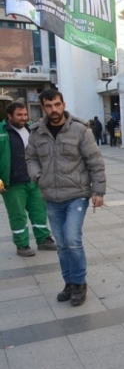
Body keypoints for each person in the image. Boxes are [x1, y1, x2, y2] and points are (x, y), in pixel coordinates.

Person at [26, 90, 106, 306]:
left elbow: (95, 162)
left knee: (72, 240)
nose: (54, 109)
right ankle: (69, 283)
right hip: (51, 197)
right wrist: (38, 175)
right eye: (49, 106)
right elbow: (30, 158)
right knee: (61, 244)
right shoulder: (36, 132)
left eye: (57, 104)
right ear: (43, 107)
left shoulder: (80, 130)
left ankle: (80, 283)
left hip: (77, 195)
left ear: (63, 104)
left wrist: (98, 192)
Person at [0, 102, 57, 257]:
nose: (23, 118)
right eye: (19, 115)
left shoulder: (32, 129)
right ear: (9, 116)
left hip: (35, 180)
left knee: (39, 212)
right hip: (12, 183)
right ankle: (22, 244)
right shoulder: (1, 131)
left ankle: (43, 240)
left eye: (25, 114)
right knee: (17, 215)